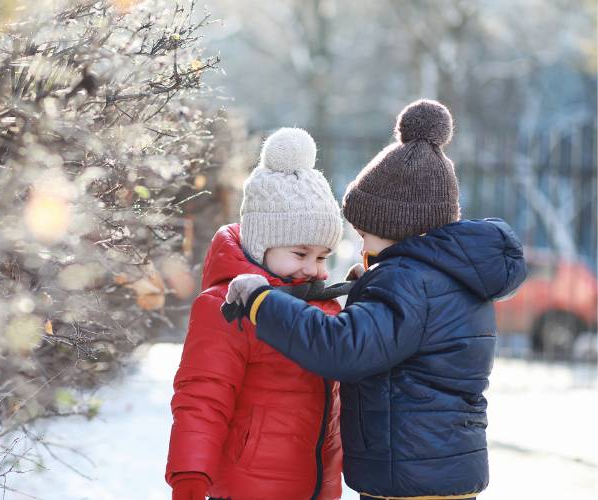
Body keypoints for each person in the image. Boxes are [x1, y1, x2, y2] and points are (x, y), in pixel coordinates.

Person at [225, 100, 528, 500]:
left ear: (395, 227)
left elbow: (343, 348)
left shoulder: (406, 282)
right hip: (440, 467)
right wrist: (371, 289)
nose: (360, 241)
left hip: (408, 476)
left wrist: (262, 300)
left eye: (365, 231)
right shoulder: (447, 276)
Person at [166, 128, 345, 499]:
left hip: (314, 486)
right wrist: (190, 476)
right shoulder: (229, 306)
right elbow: (202, 397)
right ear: (261, 243)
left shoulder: (324, 305)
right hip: (247, 487)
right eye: (300, 253)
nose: (313, 268)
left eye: (322, 257)